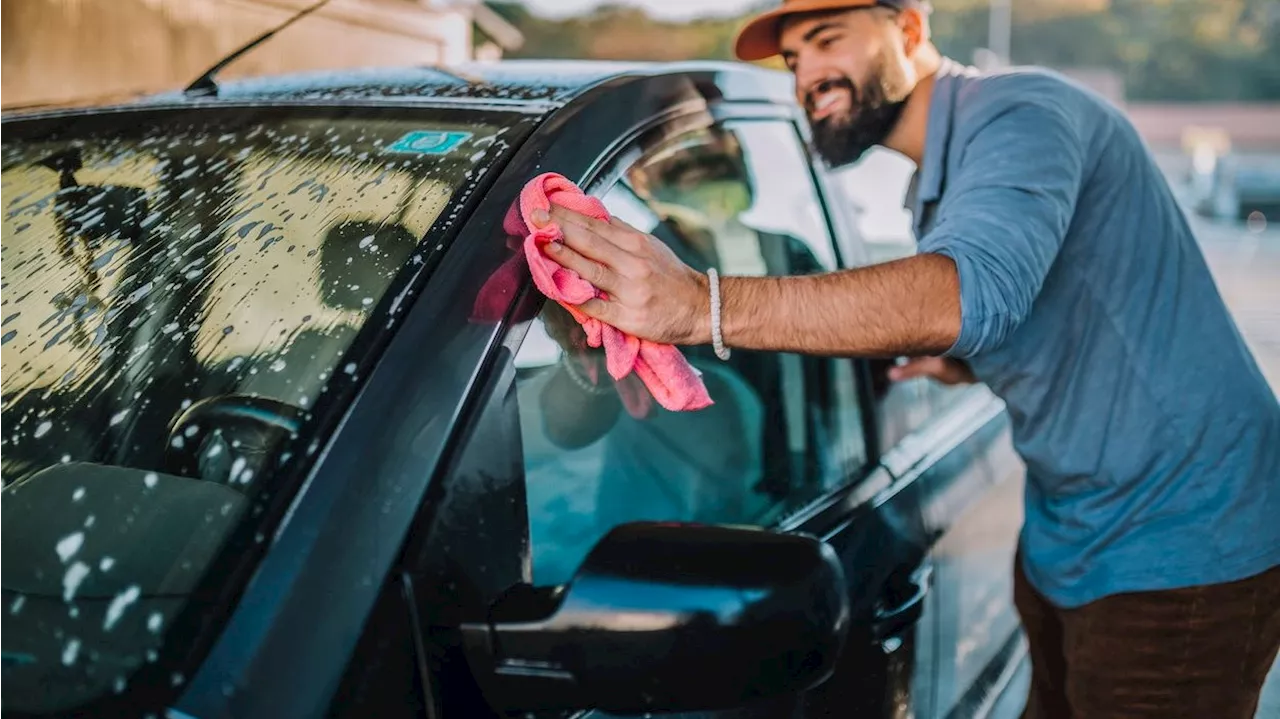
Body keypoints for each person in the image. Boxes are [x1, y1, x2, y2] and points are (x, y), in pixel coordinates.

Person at [529, 1, 1280, 717]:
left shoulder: (1021, 112)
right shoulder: (943, 180)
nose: (805, 76)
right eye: (794, 58)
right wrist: (969, 363)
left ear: (912, 27)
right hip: (1066, 530)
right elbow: (1047, 307)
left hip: (1183, 541)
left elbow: (969, 295)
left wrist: (702, 303)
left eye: (829, 39)